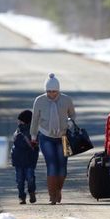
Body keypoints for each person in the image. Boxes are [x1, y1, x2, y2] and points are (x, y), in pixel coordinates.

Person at [30, 73, 76, 205]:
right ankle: (52, 196)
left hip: (64, 137)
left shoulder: (66, 100)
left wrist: (70, 123)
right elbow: (35, 120)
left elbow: (72, 115)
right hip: (46, 136)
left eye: (54, 91)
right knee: (52, 165)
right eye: (49, 91)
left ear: (58, 90)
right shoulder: (39, 101)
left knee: (62, 166)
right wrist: (33, 135)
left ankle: (58, 190)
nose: (51, 94)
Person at [11, 110, 39, 204]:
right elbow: (14, 145)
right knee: (19, 180)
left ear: (26, 121)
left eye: (21, 120)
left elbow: (35, 147)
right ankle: (21, 196)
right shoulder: (18, 131)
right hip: (19, 160)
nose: (19, 122)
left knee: (30, 178)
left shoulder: (33, 132)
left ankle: (31, 192)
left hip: (29, 160)